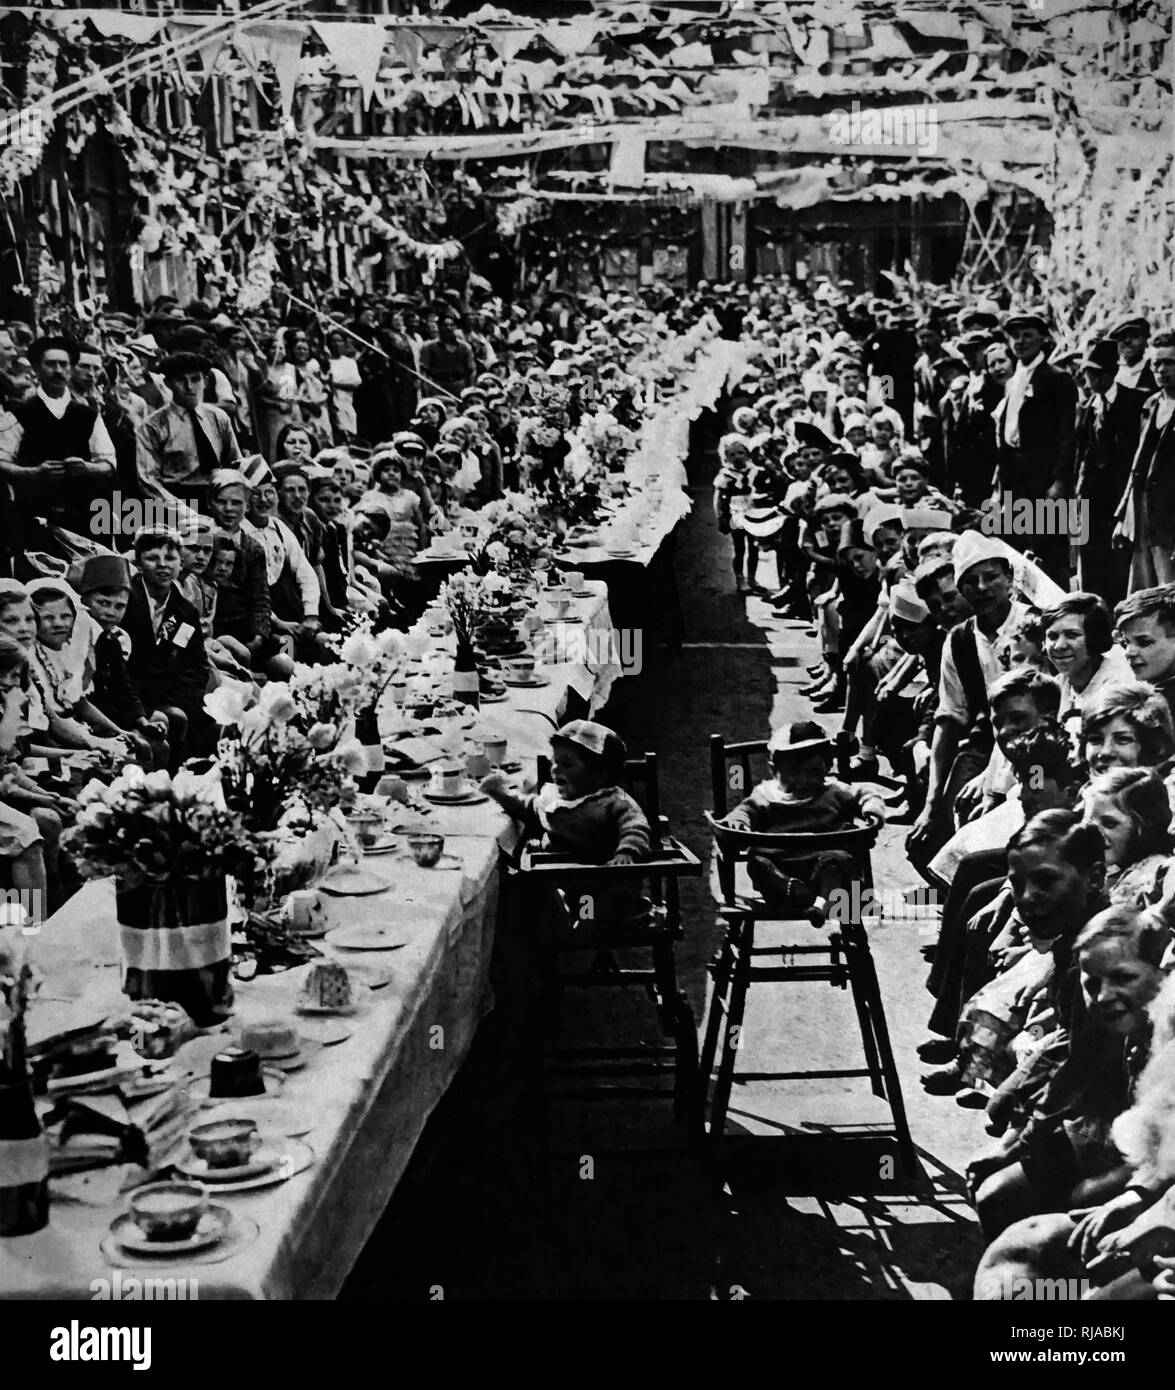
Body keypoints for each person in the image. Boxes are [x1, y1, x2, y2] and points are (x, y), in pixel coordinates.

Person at [720, 720, 885, 924]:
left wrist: (871, 811)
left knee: (837, 862)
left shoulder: (833, 792)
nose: (803, 780)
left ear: (827, 767)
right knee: (758, 863)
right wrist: (738, 823)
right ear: (774, 769)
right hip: (780, 869)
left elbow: (865, 793)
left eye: (813, 771)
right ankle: (799, 892)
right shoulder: (766, 795)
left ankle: (821, 903)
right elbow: (745, 810)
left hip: (822, 863)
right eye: (793, 772)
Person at [0, 335, 117, 572]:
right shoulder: (18, 413)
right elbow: (2, 461)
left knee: (90, 578)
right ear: (36, 368)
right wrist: (33, 473)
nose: (58, 370)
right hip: (35, 514)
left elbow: (109, 462)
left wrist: (88, 468)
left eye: (64, 365)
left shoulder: (88, 415)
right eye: (50, 364)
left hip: (84, 514)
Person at [993, 312, 1078, 584]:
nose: (1021, 342)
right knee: (1020, 545)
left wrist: (1059, 481)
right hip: (1016, 477)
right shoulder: (1014, 379)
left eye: (1028, 335)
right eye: (1015, 336)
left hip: (1044, 478)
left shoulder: (1056, 378)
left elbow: (1067, 434)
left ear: (1043, 338)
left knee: (1049, 548)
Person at [122, 527, 213, 767]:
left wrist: (178, 696)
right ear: (139, 562)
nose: (162, 565)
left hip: (167, 692)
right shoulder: (125, 600)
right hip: (127, 692)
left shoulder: (185, 611)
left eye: (170, 558)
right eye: (152, 558)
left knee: (203, 713)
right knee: (174, 718)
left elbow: (197, 666)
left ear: (180, 562)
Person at [1073, 340, 1146, 602]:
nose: (1093, 379)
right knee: (1092, 563)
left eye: (1099, 373)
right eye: (1089, 373)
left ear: (1113, 372)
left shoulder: (1136, 402)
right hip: (1092, 500)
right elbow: (1080, 456)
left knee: (1122, 564)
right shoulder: (1085, 409)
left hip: (1122, 498)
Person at [136, 351, 241, 508]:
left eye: (195, 379)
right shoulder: (153, 425)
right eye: (180, 380)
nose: (189, 387)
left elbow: (235, 462)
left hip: (218, 499)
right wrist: (183, 511)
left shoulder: (218, 418)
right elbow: (148, 480)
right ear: (168, 383)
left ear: (205, 381)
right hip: (174, 501)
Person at [1115, 331, 1175, 590]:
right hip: (1144, 514)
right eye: (1156, 364)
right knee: (1146, 591)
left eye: (1169, 363)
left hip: (1170, 515)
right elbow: (1137, 464)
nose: (1161, 370)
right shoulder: (1151, 405)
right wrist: (1122, 516)